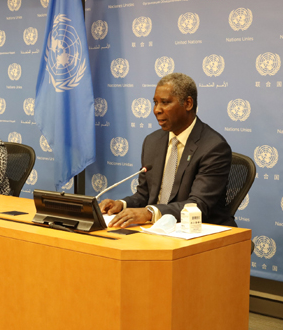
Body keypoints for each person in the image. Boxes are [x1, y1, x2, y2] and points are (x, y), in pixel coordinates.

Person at [100, 73, 236, 227]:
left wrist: (150, 213)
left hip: (201, 231)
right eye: (155, 103)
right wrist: (121, 205)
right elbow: (144, 195)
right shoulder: (152, 141)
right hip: (158, 229)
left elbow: (198, 205)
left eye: (165, 103)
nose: (156, 110)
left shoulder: (213, 147)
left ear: (188, 104)